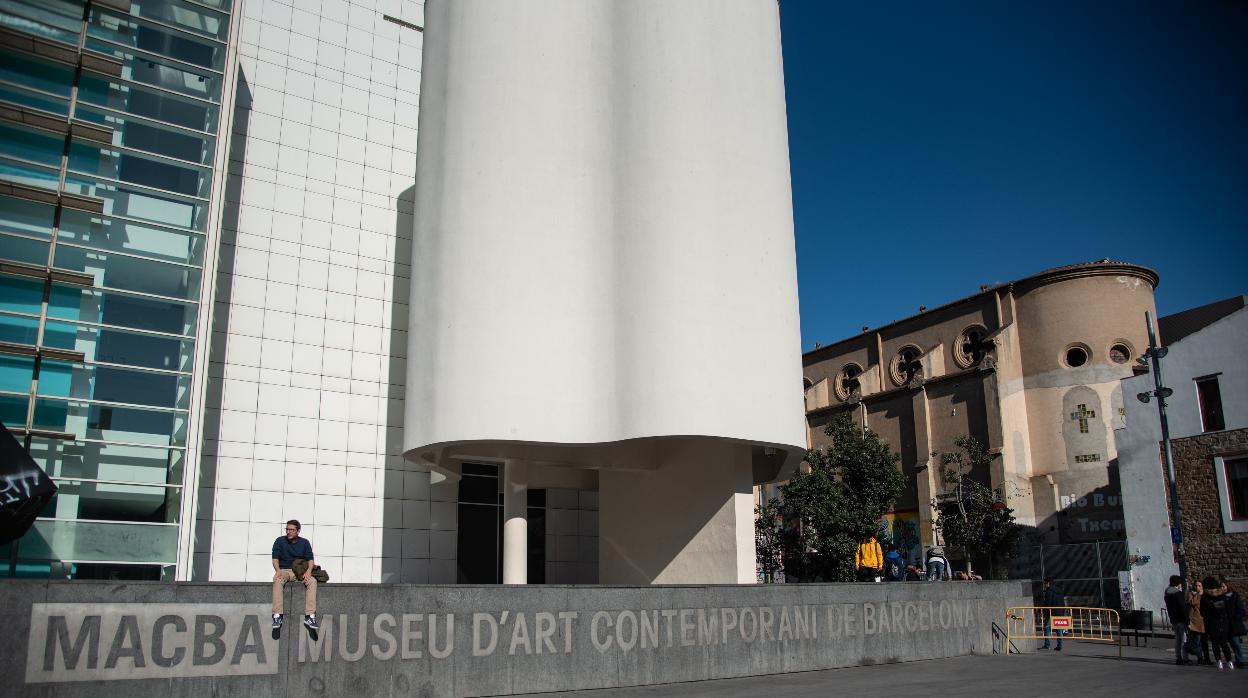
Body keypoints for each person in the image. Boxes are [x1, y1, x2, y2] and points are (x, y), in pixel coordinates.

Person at [272, 519, 318, 631]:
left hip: (299, 571)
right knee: (277, 579)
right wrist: (277, 570)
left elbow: (310, 560)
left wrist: (308, 571)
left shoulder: (304, 542)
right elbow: (275, 558)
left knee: (312, 581)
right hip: (284, 570)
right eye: (287, 529)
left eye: (292, 530)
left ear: (298, 531)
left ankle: (310, 616)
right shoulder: (280, 541)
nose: (289, 532)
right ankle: (277, 615)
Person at [1200, 575, 1234, 670]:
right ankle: (1229, 661)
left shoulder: (1205, 597)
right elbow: (1227, 609)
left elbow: (1202, 611)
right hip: (1223, 622)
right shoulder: (1222, 595)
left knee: (1215, 643)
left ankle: (1219, 661)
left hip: (1211, 622)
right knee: (1224, 643)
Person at [1163, 574, 1190, 665]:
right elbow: (1182, 607)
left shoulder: (1167, 594)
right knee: (1183, 639)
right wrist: (1187, 619)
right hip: (1181, 619)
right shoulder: (1178, 594)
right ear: (1178, 583)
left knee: (1177, 639)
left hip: (1173, 619)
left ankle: (1178, 657)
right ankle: (1185, 657)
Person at [1224, 577, 1246, 668]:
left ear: (1227, 587)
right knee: (1232, 643)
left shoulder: (1234, 596)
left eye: (1223, 586)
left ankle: (1240, 660)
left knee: (1236, 642)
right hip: (1225, 624)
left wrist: (1235, 618)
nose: (1222, 588)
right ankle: (1238, 659)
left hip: (1234, 623)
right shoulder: (1222, 598)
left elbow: (1241, 610)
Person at [1040, 576, 1066, 651]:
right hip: (1060, 611)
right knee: (1059, 629)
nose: (1044, 585)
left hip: (1051, 612)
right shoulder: (1059, 590)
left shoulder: (1049, 591)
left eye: (1045, 583)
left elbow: (1048, 603)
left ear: (1048, 583)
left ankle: (1047, 645)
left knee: (1046, 627)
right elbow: (1062, 602)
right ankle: (1060, 646)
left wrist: (1045, 613)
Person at [1187, 578, 1210, 665]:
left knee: (1204, 641)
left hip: (1204, 620)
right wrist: (1198, 595)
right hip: (1195, 620)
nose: (1197, 587)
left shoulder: (1205, 595)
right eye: (1196, 585)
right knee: (1197, 641)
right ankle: (1200, 658)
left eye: (1199, 586)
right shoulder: (1191, 594)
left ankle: (1207, 658)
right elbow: (1192, 602)